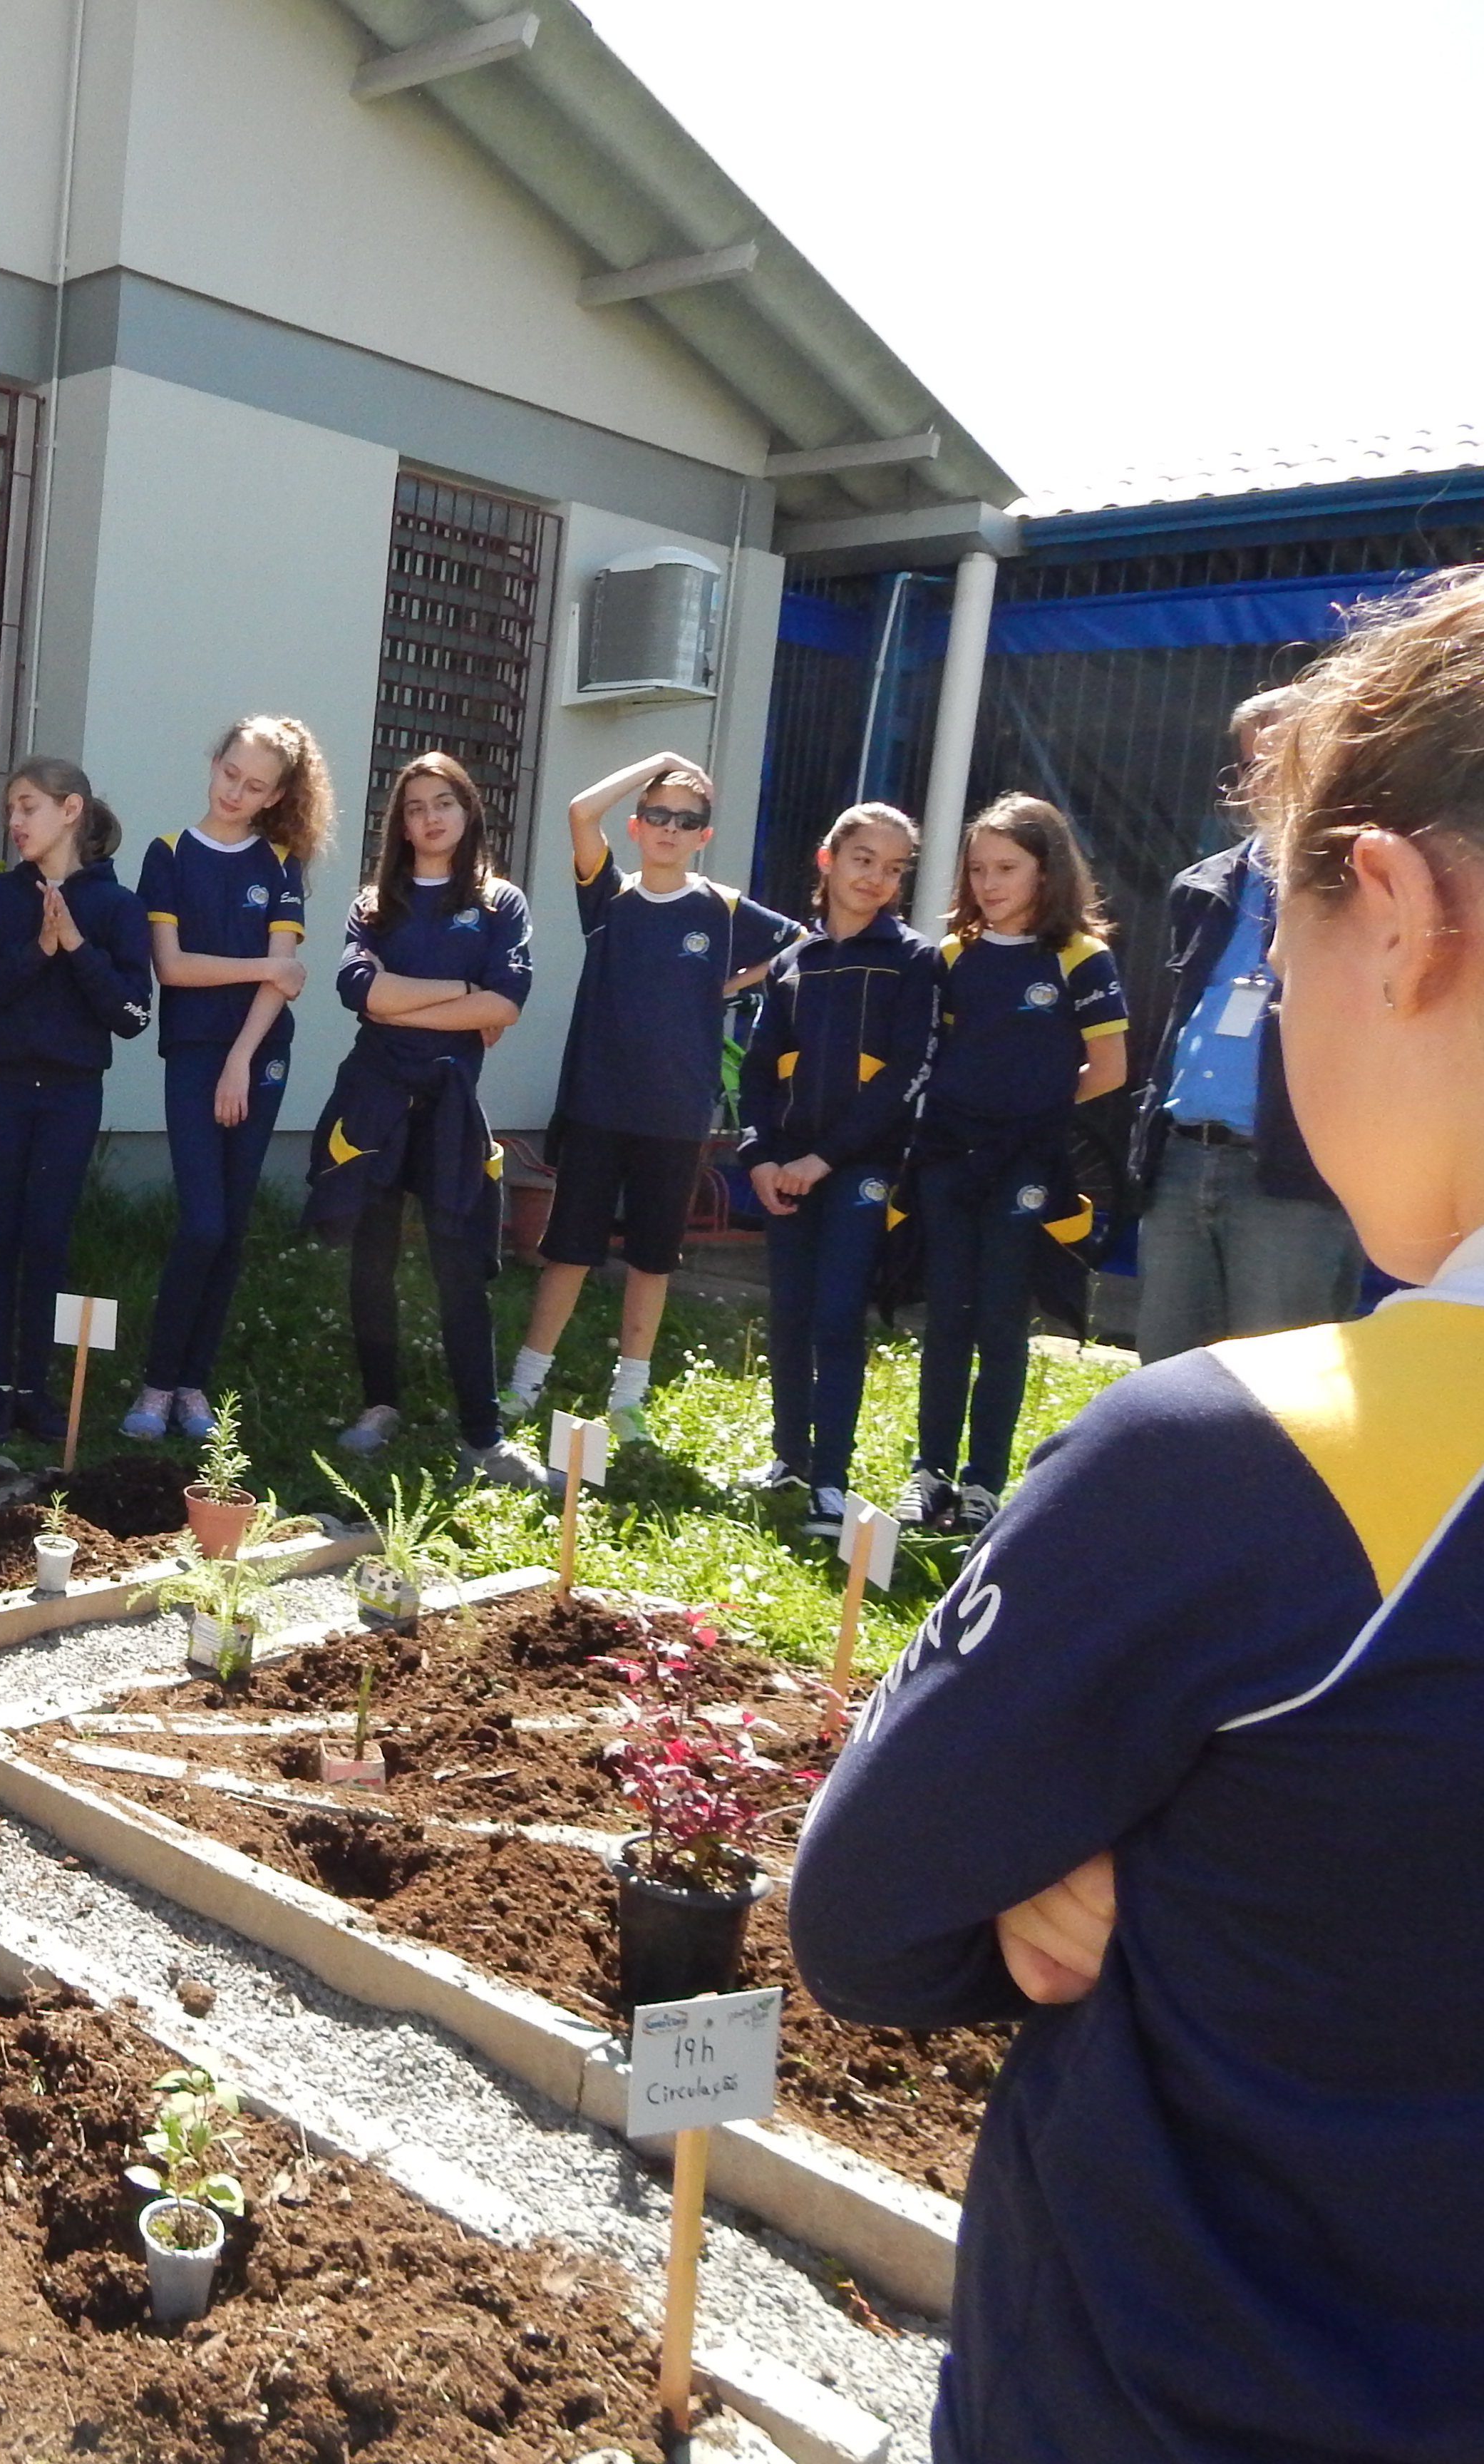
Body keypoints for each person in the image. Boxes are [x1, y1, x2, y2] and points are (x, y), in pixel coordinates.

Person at [787, 569, 1484, 2464]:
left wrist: (1143, 1880)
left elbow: (865, 1920)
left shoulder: (1252, 1467)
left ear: (1399, 920)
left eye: (1289, 925)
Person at [500, 751, 797, 1450]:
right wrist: (660, 762)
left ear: (703, 835)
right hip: (598, 1108)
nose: (669, 826)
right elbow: (579, 811)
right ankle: (523, 1383)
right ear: (636, 826)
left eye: (686, 819)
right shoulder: (610, 899)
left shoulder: (723, 910)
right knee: (569, 1251)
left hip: (674, 1119)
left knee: (652, 1259)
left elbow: (799, 948)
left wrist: (725, 988)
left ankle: (628, 1398)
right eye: (657, 815)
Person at [298, 752, 545, 1489]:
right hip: (373, 1101)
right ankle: (379, 1404)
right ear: (400, 824)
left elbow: (505, 1005)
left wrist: (410, 996)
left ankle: (483, 1436)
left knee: (459, 1270)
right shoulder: (376, 902)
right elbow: (358, 992)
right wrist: (460, 989)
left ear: (467, 811)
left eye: (444, 803)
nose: (430, 818)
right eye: (415, 807)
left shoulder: (501, 904)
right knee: (370, 1263)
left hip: (450, 1111)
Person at [894, 796, 1129, 1537]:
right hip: (947, 1162)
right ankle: (928, 1474)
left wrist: (1035, 1111)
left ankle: (983, 1483)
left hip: (1027, 1165)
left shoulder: (1080, 959)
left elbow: (1111, 1068)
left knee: (1001, 1321)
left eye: (1008, 869)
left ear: (1047, 871)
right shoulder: (954, 958)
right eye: (978, 869)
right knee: (946, 1319)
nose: (990, 884)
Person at [1128, 684, 1364, 1360]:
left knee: (1280, 1400)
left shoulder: (1363, 888)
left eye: (1284, 756)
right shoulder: (1201, 886)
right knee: (1169, 1384)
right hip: (1179, 1162)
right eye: (1254, 761)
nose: (1265, 776)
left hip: (1290, 1175)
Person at [123, 715, 330, 1442]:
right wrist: (264, 968)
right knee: (202, 1221)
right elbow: (174, 969)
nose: (237, 792)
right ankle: (155, 1383)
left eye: (256, 785)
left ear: (276, 796)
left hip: (258, 1056)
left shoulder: (280, 863)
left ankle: (192, 1387)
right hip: (192, 1052)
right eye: (230, 773)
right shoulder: (169, 853)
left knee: (233, 1229)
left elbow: (288, 979)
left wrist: (243, 1056)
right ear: (213, 762)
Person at [737, 804, 939, 1536]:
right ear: (829, 860)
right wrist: (760, 1156)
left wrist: (825, 1159)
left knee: (835, 1315)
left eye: (893, 867)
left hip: (859, 1170)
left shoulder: (914, 960)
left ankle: (832, 1479)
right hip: (786, 1171)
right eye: (864, 860)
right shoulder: (794, 961)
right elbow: (760, 1071)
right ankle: (789, 1456)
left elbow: (906, 1076)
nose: (877, 878)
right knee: (789, 1313)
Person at [0, 755, 152, 1445]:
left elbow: (132, 1015)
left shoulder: (118, 907)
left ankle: (36, 1390)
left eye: (27, 806)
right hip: (0, 1089)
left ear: (70, 811)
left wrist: (76, 947)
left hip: (70, 1095)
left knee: (47, 1238)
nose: (14, 821)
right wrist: (37, 950)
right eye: (11, 808)